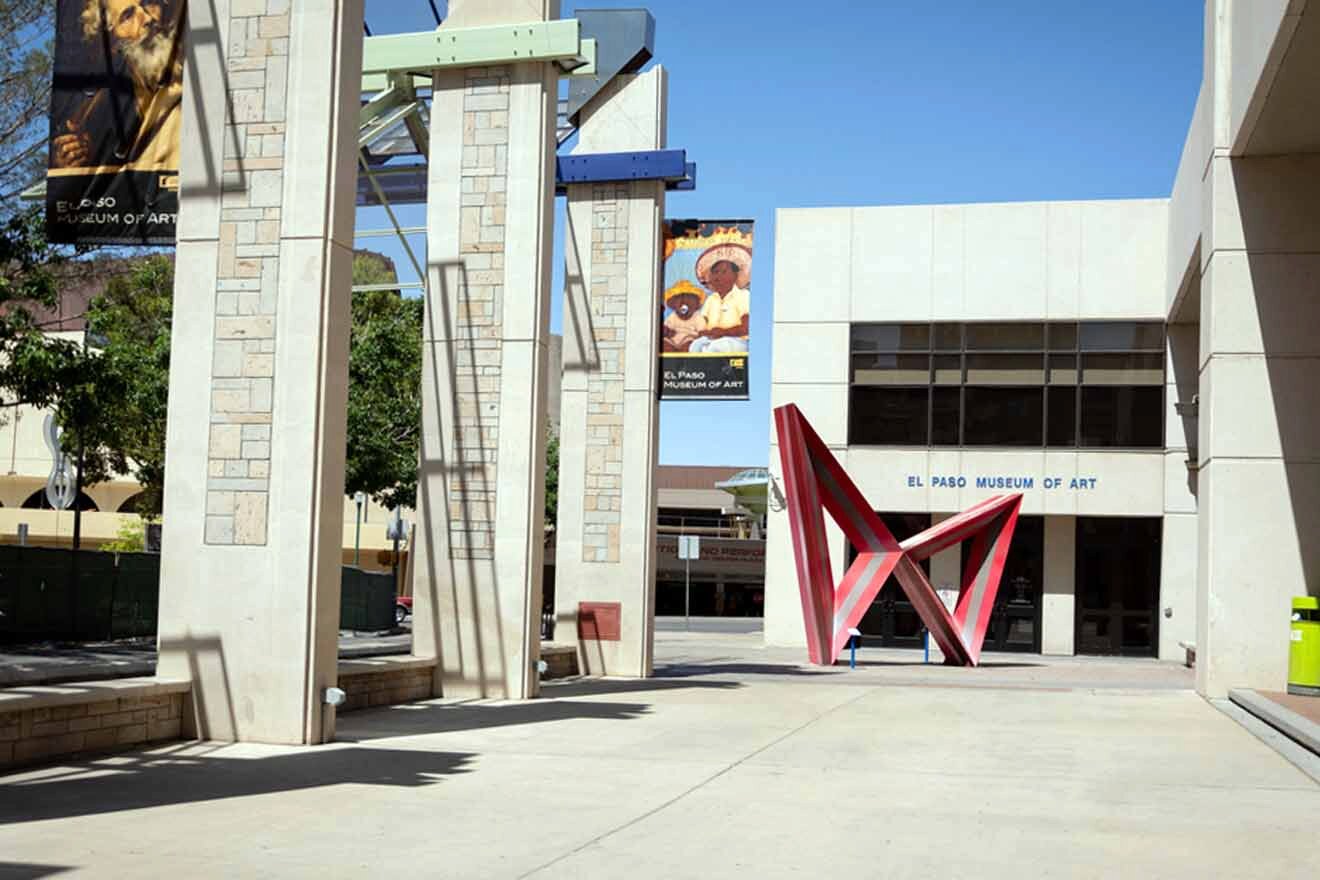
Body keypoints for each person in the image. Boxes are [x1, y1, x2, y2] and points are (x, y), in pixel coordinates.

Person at [51, 0, 184, 172]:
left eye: (149, 2)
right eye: (128, 16)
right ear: (111, 43)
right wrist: (68, 164)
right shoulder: (101, 112)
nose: (147, 18)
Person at [689, 244, 751, 354]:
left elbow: (747, 327)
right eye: (715, 272)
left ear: (735, 275)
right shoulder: (711, 299)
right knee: (695, 346)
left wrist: (724, 332)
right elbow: (703, 325)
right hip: (713, 339)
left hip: (737, 340)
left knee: (716, 347)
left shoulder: (743, 295)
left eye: (723, 272)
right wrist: (704, 332)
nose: (718, 277)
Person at [661, 281, 707, 353]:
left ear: (696, 305)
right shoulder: (672, 316)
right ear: (673, 305)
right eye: (679, 300)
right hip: (673, 340)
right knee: (664, 343)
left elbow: (702, 332)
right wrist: (668, 331)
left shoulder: (697, 317)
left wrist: (701, 335)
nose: (684, 302)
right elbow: (666, 328)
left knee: (690, 344)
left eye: (689, 300)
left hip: (689, 339)